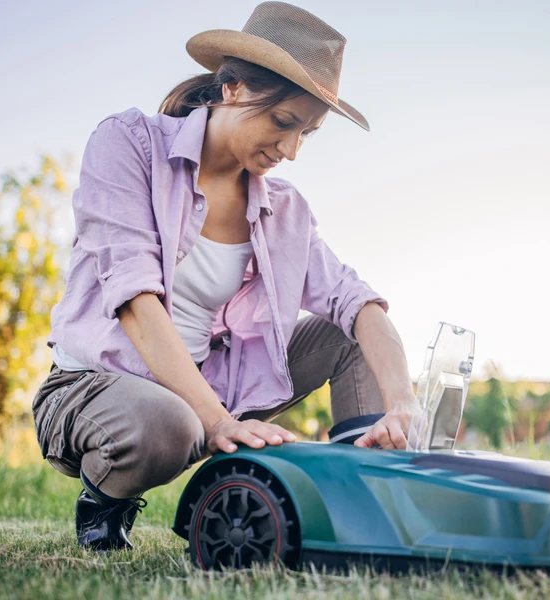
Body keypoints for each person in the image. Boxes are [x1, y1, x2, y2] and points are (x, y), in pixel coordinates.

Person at [31, 1, 419, 552]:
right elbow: (135, 297)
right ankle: (104, 500)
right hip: (97, 385)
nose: (290, 150)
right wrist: (215, 421)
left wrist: (402, 400)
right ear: (232, 87)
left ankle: (365, 514)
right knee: (172, 425)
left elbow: (357, 302)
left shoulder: (283, 209)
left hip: (213, 385)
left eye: (307, 133)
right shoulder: (130, 144)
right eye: (283, 123)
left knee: (349, 331)